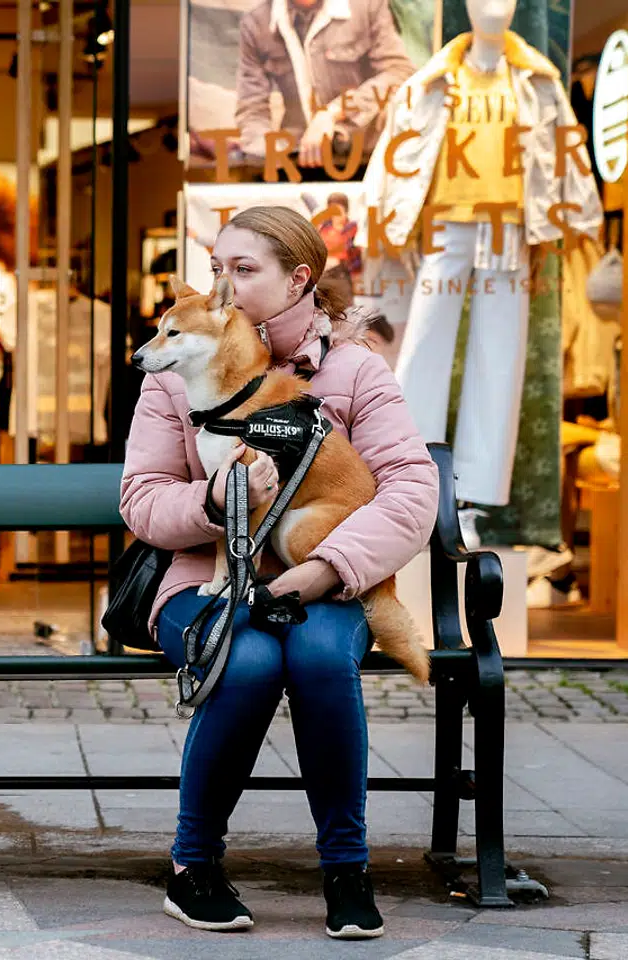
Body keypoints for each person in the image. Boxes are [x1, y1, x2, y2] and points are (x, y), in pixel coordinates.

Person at [119, 206, 437, 938]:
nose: (224, 283)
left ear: (300, 279)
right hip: (200, 578)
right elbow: (139, 499)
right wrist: (211, 501)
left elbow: (413, 491)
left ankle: (346, 873)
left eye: (244, 268)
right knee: (248, 659)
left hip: (323, 578)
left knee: (323, 657)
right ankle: (192, 866)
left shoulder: (355, 369)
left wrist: (332, 566)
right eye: (218, 267)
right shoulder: (175, 373)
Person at [234, 0, 414, 166]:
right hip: (298, 161)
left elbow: (399, 73)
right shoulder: (256, 23)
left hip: (367, 159)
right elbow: (252, 107)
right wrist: (267, 154)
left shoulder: (366, 6)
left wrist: (334, 112)